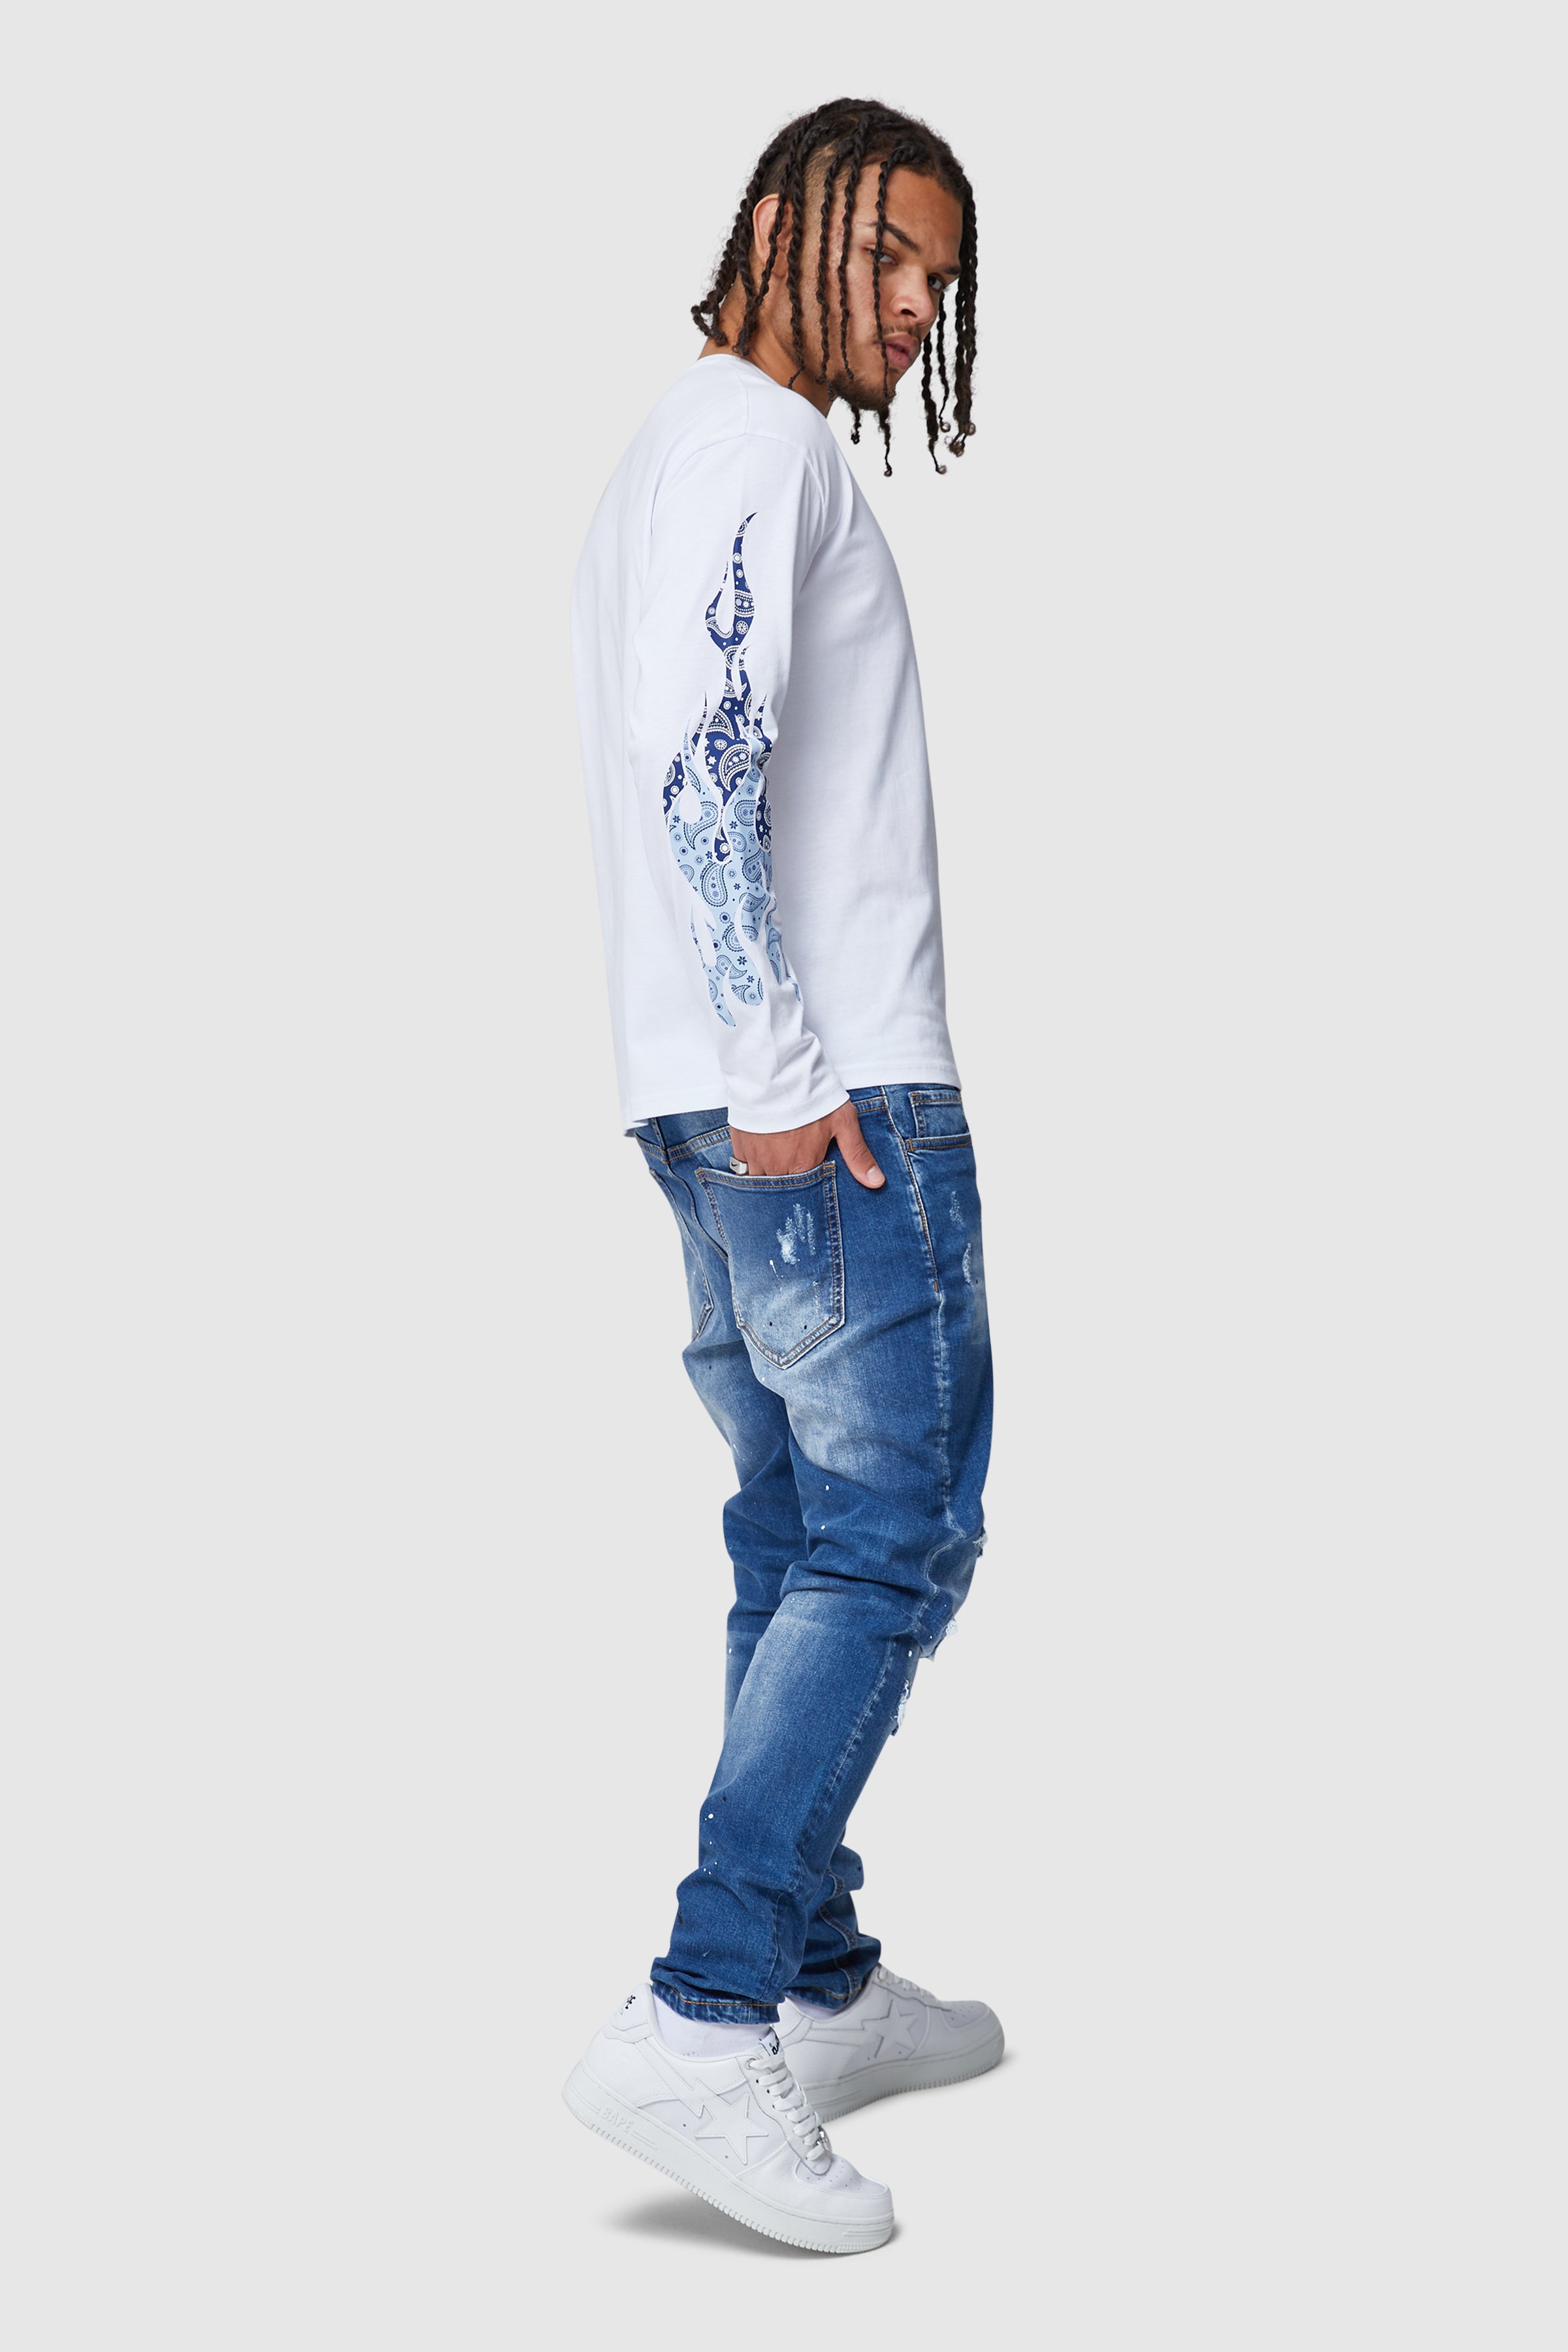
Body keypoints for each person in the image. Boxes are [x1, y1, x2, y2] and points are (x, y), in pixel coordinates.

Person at [564, 98, 1000, 2256]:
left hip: (723, 1098)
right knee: (901, 1533)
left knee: (801, 1531)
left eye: (942, 281)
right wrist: (781, 1065)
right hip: (818, 1106)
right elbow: (699, 753)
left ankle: (815, 1979)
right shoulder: (755, 447)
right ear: (773, 223)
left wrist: (734, 1071)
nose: (917, 307)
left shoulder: (684, 452)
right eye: (891, 256)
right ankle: (707, 2002)